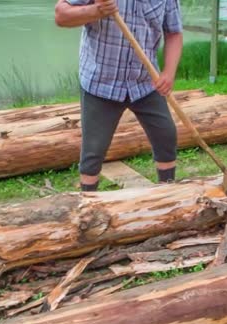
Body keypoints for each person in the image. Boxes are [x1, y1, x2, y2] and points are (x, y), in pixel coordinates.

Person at [55, 0, 184, 191]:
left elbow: (174, 33)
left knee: (166, 135)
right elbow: (61, 15)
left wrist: (169, 73)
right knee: (94, 150)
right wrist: (95, 10)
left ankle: (167, 193)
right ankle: (88, 205)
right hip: (101, 82)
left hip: (145, 81)